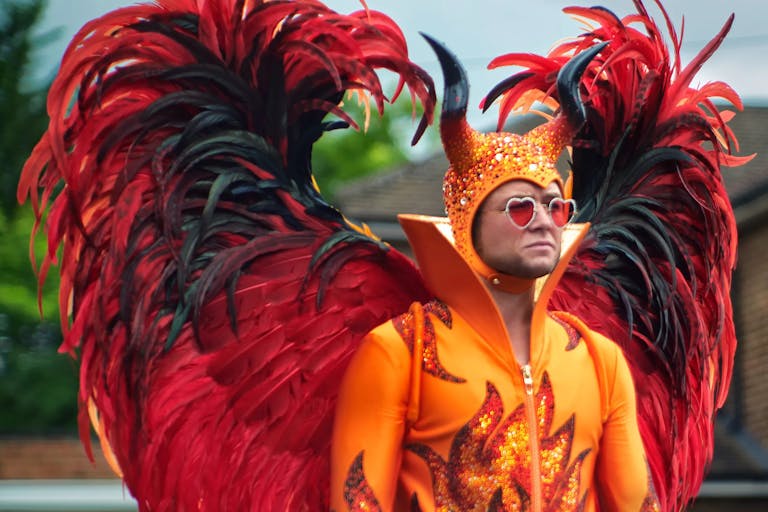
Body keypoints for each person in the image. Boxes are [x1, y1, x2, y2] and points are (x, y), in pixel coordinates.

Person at [329, 36, 661, 511]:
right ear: (469, 227)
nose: (545, 220)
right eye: (521, 208)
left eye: (555, 206)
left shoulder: (598, 359)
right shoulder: (401, 352)